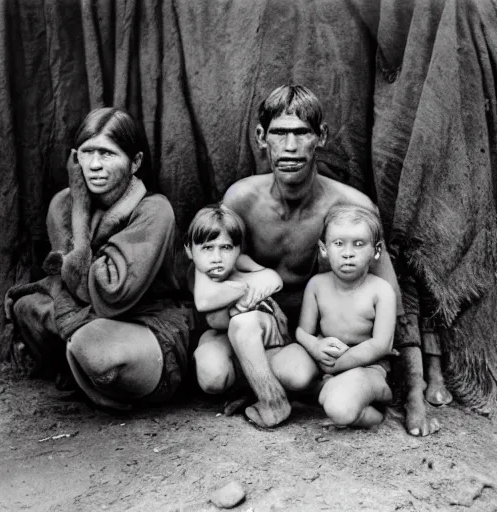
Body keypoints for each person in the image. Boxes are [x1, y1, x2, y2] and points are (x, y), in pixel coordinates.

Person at [219, 84, 440, 435]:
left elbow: (393, 303)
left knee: (306, 376)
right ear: (261, 137)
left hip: (326, 342)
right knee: (213, 375)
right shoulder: (241, 199)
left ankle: (318, 390)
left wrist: (415, 395)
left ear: (321, 136)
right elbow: (206, 269)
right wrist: (256, 277)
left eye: (301, 133)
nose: (290, 148)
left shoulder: (352, 208)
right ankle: (265, 388)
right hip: (272, 331)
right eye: (279, 133)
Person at [5, 107, 192, 411]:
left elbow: (113, 293)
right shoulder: (63, 204)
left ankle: (82, 359)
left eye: (107, 154)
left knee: (95, 348)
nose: (93, 165)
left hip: (139, 318)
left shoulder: (155, 210)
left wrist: (79, 215)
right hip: (84, 308)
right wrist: (77, 206)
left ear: (135, 163)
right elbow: (75, 285)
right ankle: (75, 361)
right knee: (26, 307)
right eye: (86, 152)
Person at [188, 205, 293, 427]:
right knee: (211, 376)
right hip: (225, 336)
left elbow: (274, 280)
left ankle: (273, 400)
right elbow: (204, 301)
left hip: (263, 332)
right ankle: (248, 390)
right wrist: (244, 288)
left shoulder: (240, 262)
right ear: (189, 250)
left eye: (226, 247)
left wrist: (254, 286)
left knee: (242, 321)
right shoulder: (200, 272)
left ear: (238, 250)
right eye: (207, 248)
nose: (217, 257)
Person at [295, 204, 396, 428]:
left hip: (369, 370)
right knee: (298, 380)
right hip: (327, 367)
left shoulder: (381, 290)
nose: (347, 253)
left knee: (339, 407)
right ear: (324, 249)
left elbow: (382, 344)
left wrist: (337, 364)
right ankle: (339, 399)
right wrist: (314, 346)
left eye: (358, 244)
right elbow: (302, 332)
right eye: (338, 244)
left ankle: (369, 411)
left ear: (376, 250)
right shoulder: (317, 285)